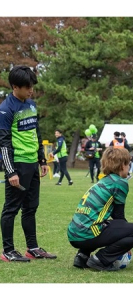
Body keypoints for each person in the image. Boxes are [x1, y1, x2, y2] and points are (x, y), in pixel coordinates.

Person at [0, 65, 57, 262]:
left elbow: (36, 133)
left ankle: (32, 248)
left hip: (33, 164)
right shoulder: (6, 109)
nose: (31, 90)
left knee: (31, 207)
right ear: (15, 86)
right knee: (11, 208)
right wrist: (10, 172)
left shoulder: (31, 105)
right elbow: (4, 143)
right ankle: (8, 250)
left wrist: (42, 159)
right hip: (18, 165)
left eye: (32, 86)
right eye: (27, 87)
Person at [67, 147, 133, 271]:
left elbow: (115, 220)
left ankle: (82, 257)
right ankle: (100, 260)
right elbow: (119, 217)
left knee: (103, 224)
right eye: (128, 164)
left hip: (73, 234)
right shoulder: (120, 182)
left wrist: (123, 232)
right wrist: (130, 238)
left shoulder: (103, 181)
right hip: (86, 235)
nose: (129, 168)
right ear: (122, 166)